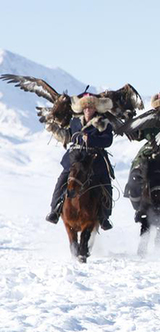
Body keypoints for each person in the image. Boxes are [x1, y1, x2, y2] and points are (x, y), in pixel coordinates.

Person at [45, 92, 115, 230]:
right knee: (62, 180)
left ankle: (104, 216)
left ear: (95, 108)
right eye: (86, 107)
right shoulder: (75, 122)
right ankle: (55, 210)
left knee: (105, 184)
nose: (88, 109)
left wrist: (92, 140)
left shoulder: (104, 122)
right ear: (82, 108)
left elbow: (108, 140)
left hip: (94, 160)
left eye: (91, 107)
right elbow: (68, 136)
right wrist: (54, 130)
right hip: (75, 158)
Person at [124, 92, 160, 222]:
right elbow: (137, 135)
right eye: (158, 108)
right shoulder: (149, 119)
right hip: (148, 156)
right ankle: (139, 209)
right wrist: (129, 122)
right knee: (134, 180)